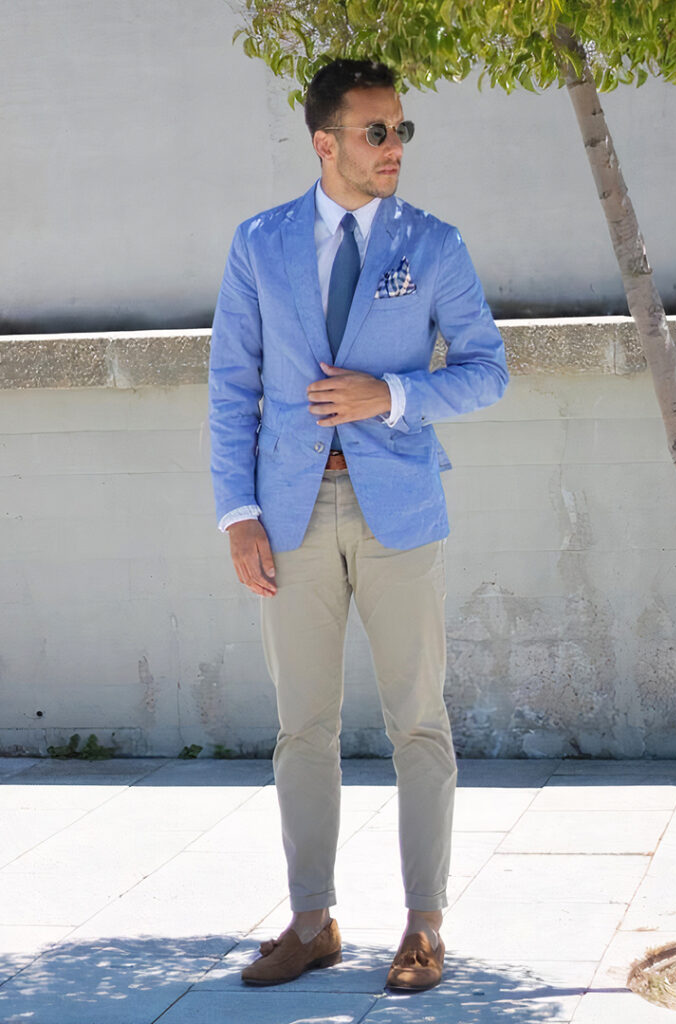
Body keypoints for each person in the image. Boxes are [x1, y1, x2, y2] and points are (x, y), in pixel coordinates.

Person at [208, 57, 508, 991]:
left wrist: (393, 393)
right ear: (324, 142)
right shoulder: (259, 243)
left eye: (402, 132)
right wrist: (237, 514)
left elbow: (488, 368)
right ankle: (311, 921)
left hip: (399, 511)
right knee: (303, 726)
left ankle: (422, 926)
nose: (393, 149)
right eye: (375, 132)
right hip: (289, 515)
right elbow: (232, 387)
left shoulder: (434, 244)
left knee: (418, 720)